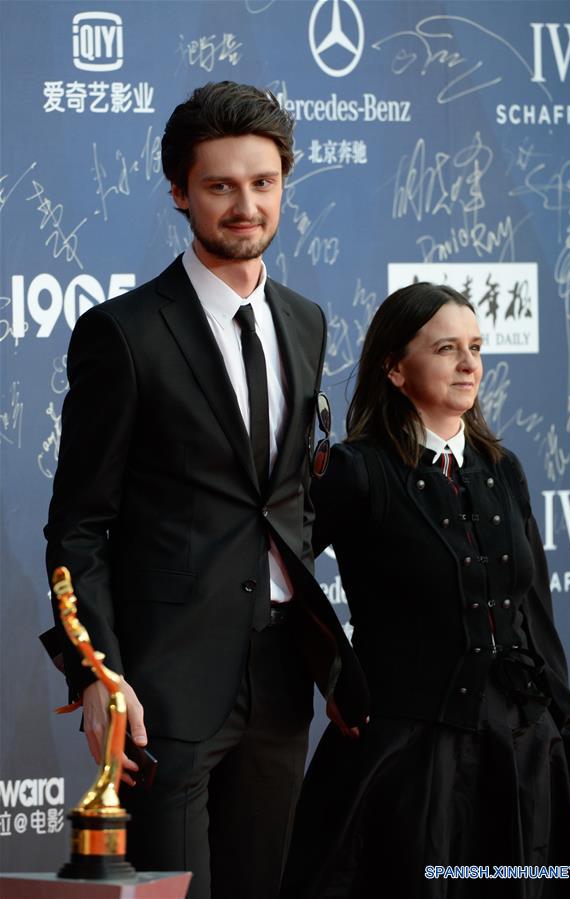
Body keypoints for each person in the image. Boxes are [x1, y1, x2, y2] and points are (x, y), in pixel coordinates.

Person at [44, 81, 368, 899]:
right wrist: (97, 674)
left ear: (284, 184)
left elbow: (281, 498)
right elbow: (80, 525)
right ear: (181, 192)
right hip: (165, 680)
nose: (245, 205)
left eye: (262, 183)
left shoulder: (305, 321)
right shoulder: (124, 333)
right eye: (221, 185)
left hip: (282, 668)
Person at [280, 283, 570, 899]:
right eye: (447, 348)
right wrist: (334, 669)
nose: (469, 364)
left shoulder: (501, 468)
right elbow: (276, 578)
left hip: (521, 762)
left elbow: (536, 626)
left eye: (476, 347)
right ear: (395, 368)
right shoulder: (357, 471)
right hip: (404, 767)